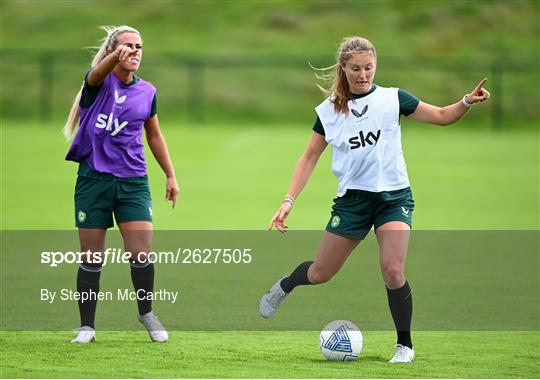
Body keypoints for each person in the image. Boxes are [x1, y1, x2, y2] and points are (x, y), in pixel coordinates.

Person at [259, 36, 490, 363]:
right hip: (352, 203)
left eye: (369, 67)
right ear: (344, 68)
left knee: (393, 270)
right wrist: (288, 200)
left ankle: (404, 345)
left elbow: (440, 115)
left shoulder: (393, 99)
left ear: (375, 66)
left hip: (394, 199)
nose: (363, 74)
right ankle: (284, 285)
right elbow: (309, 158)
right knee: (320, 273)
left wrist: (466, 101)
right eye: (356, 68)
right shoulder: (328, 112)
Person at [64, 26, 179, 343]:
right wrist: (115, 54)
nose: (135, 50)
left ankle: (146, 313)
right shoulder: (97, 84)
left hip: (133, 182)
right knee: (91, 256)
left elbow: (154, 135)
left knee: (141, 253)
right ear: (114, 51)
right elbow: (95, 73)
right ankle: (87, 326)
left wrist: (170, 174)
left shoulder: (147, 92)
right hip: (93, 181)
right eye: (128, 46)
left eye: (139, 46)